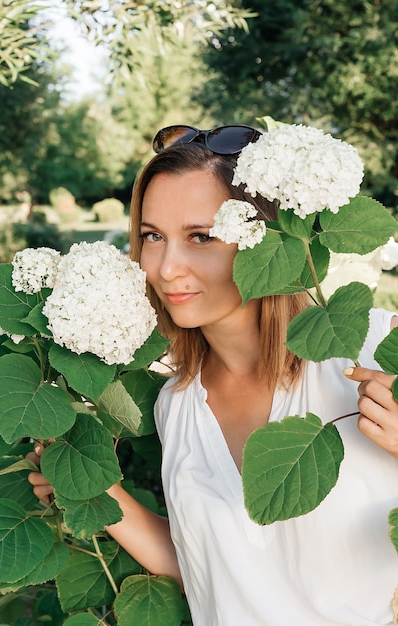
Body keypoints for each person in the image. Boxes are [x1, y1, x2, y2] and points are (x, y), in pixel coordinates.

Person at [29, 124, 398, 626]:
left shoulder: (375, 351)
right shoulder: (176, 404)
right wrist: (94, 486)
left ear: (263, 237)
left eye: (201, 236)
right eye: (152, 236)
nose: (165, 267)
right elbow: (211, 570)